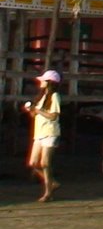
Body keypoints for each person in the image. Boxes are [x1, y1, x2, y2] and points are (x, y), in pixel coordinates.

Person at [25, 69, 62, 201]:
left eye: (43, 80)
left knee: (45, 163)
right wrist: (31, 110)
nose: (40, 82)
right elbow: (35, 114)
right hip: (39, 132)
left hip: (50, 132)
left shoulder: (54, 96)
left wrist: (38, 110)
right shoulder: (41, 96)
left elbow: (53, 116)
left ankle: (48, 193)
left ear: (50, 82)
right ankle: (52, 183)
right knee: (33, 163)